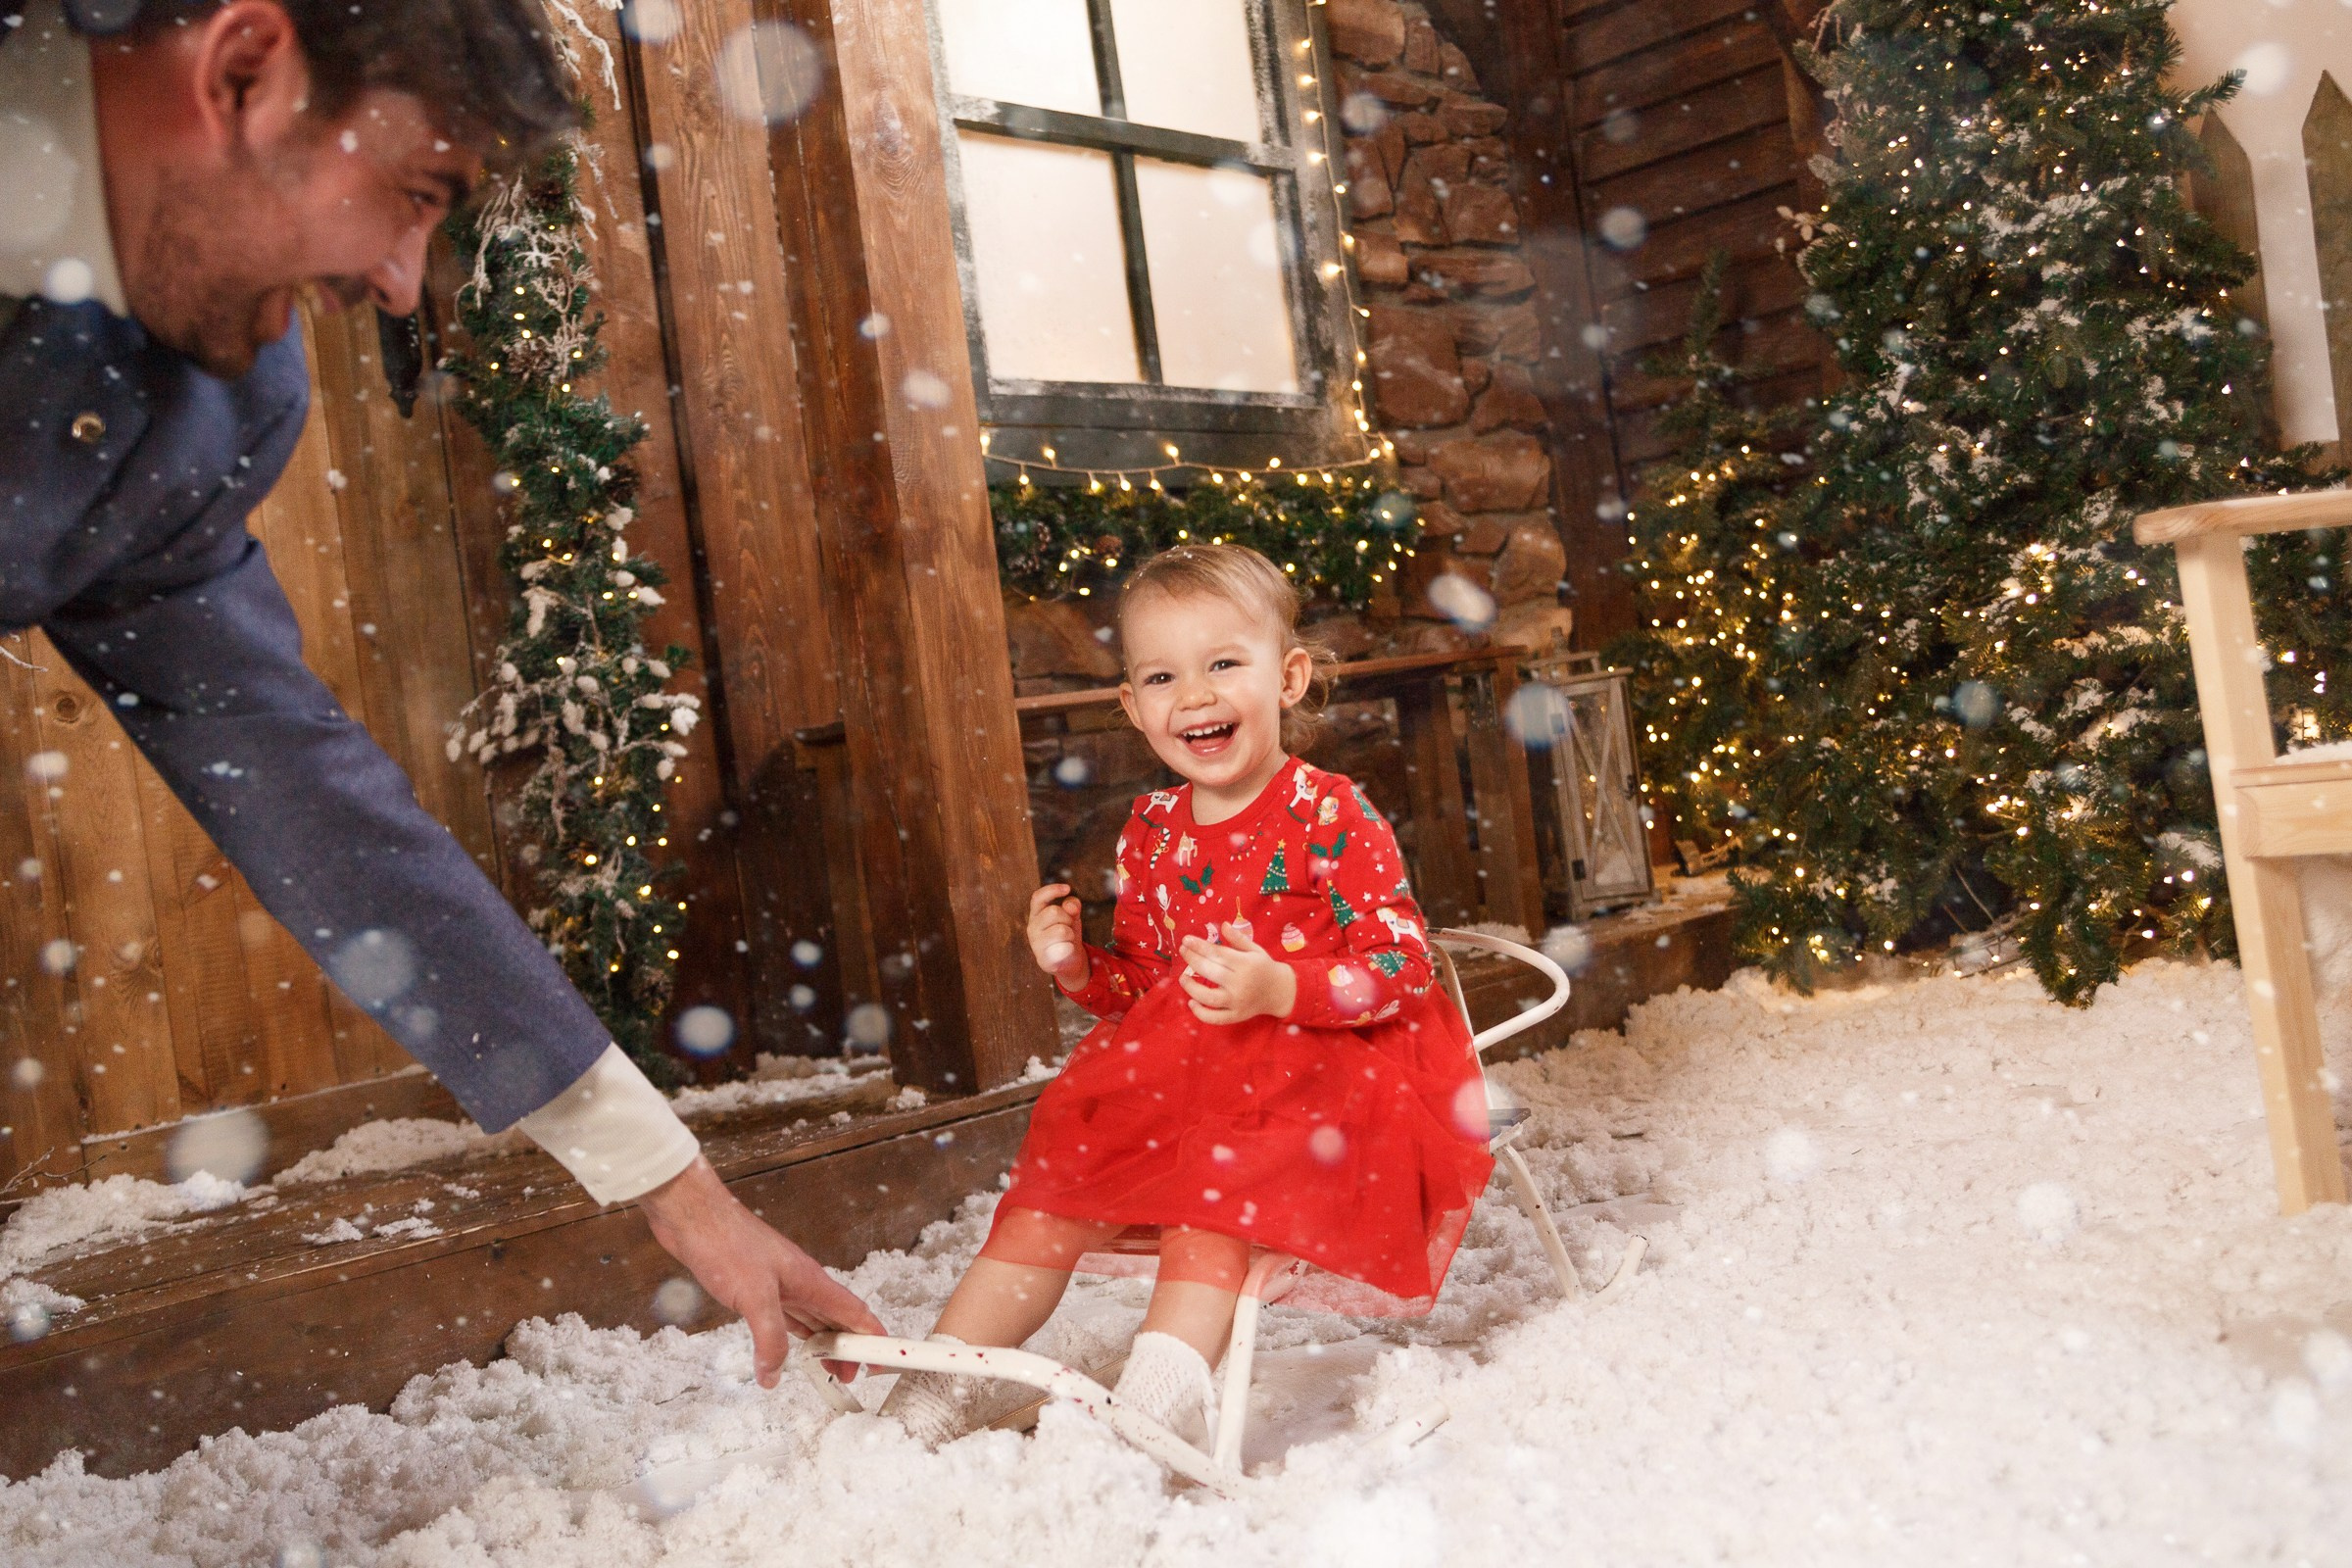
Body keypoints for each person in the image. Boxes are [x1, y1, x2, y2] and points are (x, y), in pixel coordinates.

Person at [0, 0, 883, 1382]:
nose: (406, 286)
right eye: (412, 197)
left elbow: (299, 786)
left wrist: (673, 1184)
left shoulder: (217, 402)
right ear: (242, 69)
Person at [879, 544, 1495, 1446]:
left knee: (1215, 1187)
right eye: (1163, 676)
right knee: (1055, 1186)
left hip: (1321, 1071)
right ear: (1133, 707)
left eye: (1222, 665)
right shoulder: (1154, 832)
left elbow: (1404, 965)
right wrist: (1077, 969)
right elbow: (1146, 989)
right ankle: (943, 1386)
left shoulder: (1330, 812)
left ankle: (1157, 1397)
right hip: (1191, 1071)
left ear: (1287, 679)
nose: (1195, 697)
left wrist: (1280, 985)